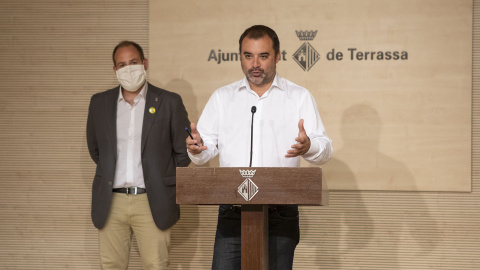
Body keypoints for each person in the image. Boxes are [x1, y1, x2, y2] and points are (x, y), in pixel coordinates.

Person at [186, 25, 333, 269]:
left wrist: (308, 147)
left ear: (278, 56)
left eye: (263, 56)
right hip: (232, 210)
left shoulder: (299, 96)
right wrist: (197, 149)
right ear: (240, 56)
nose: (255, 63)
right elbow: (205, 150)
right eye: (248, 55)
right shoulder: (223, 97)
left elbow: (325, 150)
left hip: (281, 211)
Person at [87, 40, 191, 269]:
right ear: (115, 70)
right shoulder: (99, 103)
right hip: (111, 201)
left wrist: (161, 177)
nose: (128, 69)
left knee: (156, 265)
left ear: (145, 63)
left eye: (133, 62)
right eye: (122, 64)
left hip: (152, 199)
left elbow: (183, 154)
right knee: (110, 265)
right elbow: (96, 150)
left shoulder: (169, 102)